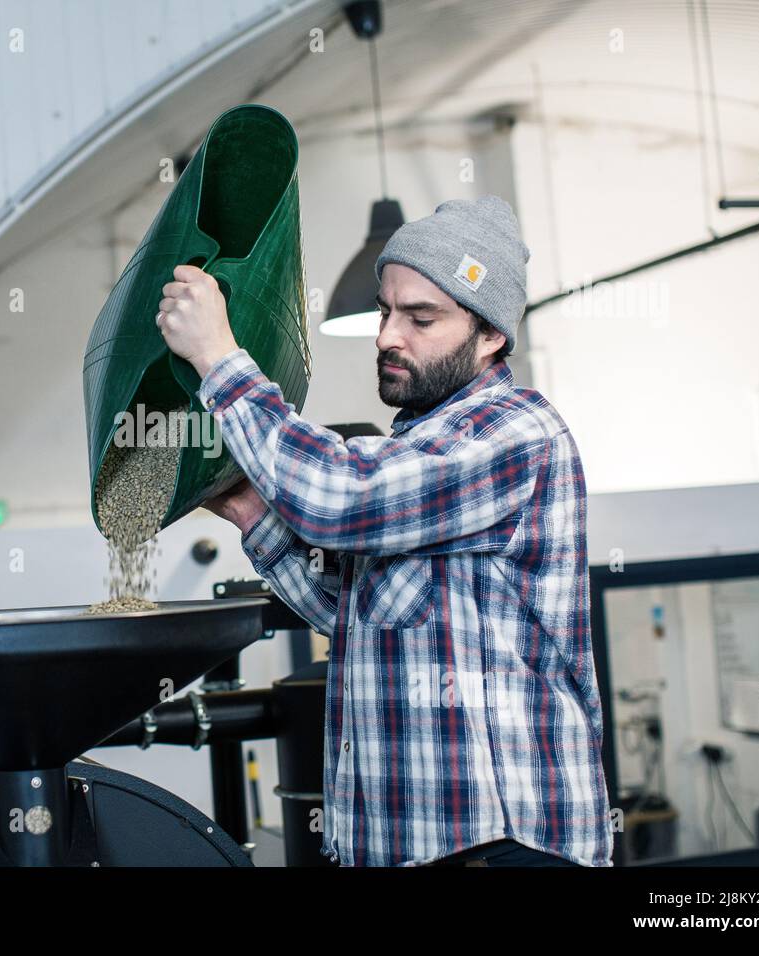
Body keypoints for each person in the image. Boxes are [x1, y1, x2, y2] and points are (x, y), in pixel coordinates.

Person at [155, 194, 612, 867]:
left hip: (502, 842)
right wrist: (251, 510)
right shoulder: (425, 446)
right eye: (386, 311)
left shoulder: (514, 433)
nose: (387, 336)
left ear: (491, 336)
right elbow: (359, 615)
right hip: (407, 842)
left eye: (421, 318)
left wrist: (220, 358)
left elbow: (341, 497)